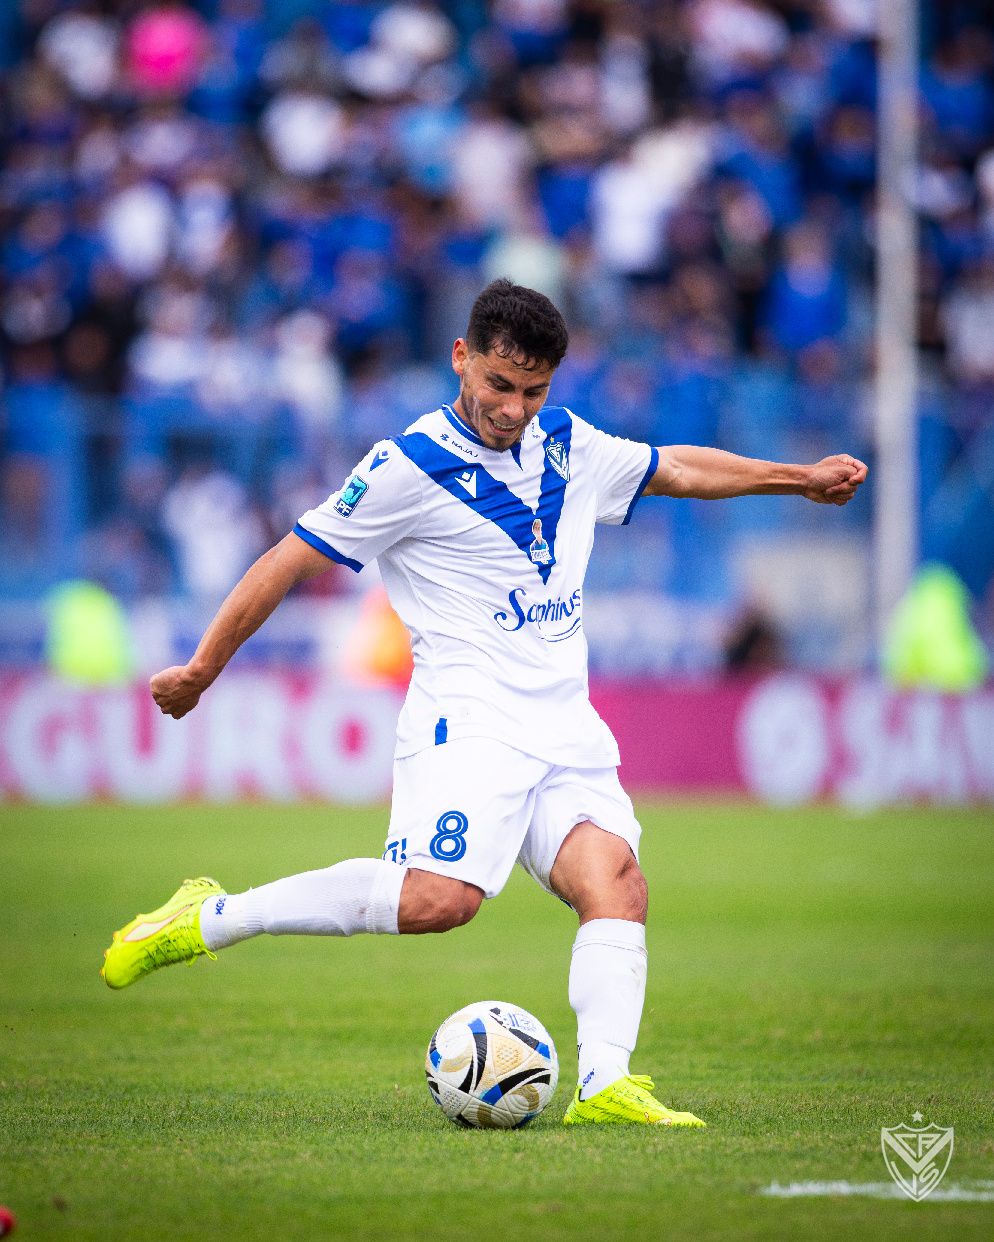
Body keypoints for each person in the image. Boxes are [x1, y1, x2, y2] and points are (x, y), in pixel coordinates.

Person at [101, 279, 867, 1126]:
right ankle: (210, 917)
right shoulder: (405, 467)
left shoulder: (568, 443)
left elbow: (675, 468)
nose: (513, 409)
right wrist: (203, 666)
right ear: (462, 358)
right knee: (441, 902)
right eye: (500, 385)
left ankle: (604, 1085)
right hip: (468, 722)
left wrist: (799, 479)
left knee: (617, 882)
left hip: (564, 727)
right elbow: (290, 558)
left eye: (533, 391)